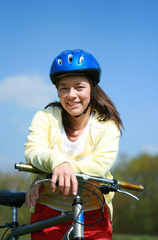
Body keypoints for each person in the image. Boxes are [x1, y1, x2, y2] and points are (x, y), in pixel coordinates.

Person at [25, 49, 123, 240]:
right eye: (64, 88)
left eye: (79, 87)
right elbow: (32, 151)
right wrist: (57, 161)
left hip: (93, 213)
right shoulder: (44, 117)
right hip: (49, 212)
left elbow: (99, 166)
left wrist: (52, 172)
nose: (71, 95)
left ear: (92, 88)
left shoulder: (107, 125)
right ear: (58, 91)